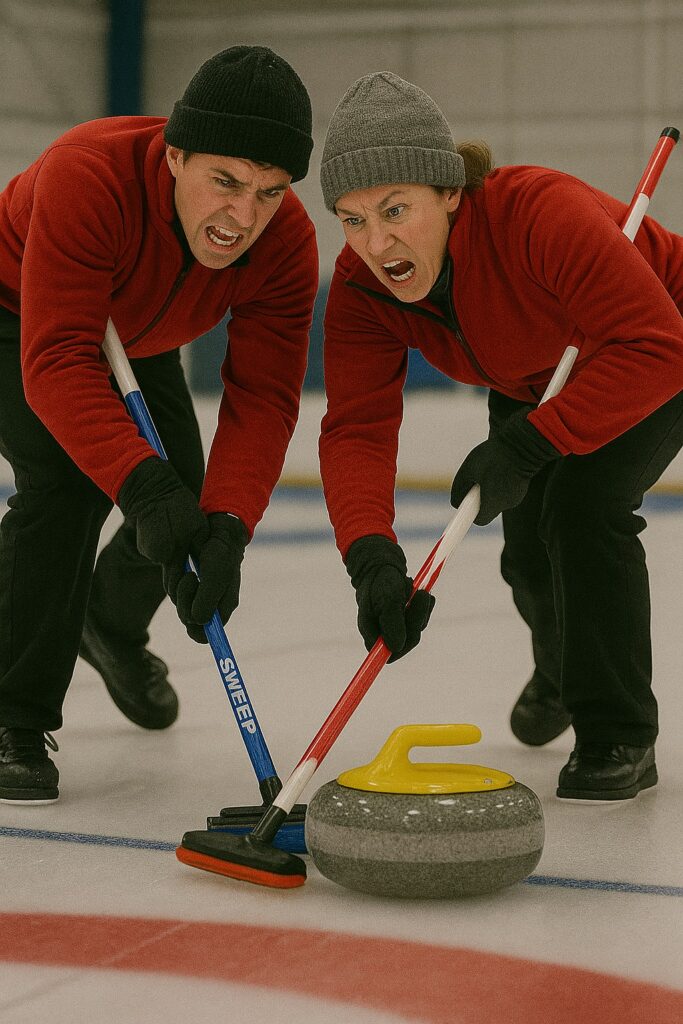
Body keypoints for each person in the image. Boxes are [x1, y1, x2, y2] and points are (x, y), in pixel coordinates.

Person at [317, 71, 683, 801]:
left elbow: (655, 347)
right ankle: (559, 664)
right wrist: (371, 558)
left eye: (395, 210)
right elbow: (356, 427)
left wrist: (524, 446)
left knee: (579, 509)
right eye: (352, 219)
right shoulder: (362, 290)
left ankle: (616, 732)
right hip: (526, 376)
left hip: (650, 342)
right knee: (523, 554)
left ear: (449, 192)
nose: (376, 242)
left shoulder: (537, 215)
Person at [0, 46, 318, 803]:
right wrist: (138, 486)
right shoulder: (89, 173)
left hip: (140, 334)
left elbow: (264, 399)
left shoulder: (286, 242)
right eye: (226, 183)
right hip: (18, 315)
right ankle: (12, 713)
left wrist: (233, 525)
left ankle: (107, 624)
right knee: (70, 485)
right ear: (175, 155)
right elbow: (58, 360)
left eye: (269, 193)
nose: (243, 217)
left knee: (193, 498)